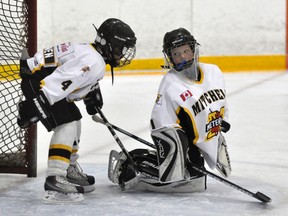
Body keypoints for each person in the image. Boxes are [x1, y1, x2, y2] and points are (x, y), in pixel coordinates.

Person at [17, 18, 137, 202]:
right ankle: (55, 176)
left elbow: (73, 73)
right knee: (67, 124)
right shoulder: (94, 61)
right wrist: (38, 104)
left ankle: (68, 168)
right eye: (122, 48)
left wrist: (91, 93)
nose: (123, 55)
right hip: (40, 83)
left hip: (37, 76)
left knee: (75, 118)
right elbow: (61, 79)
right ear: (109, 44)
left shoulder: (90, 51)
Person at [108, 27, 231, 193]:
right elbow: (161, 124)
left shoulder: (213, 71)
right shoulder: (170, 83)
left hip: (207, 134)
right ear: (170, 57)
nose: (182, 57)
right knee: (190, 176)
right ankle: (132, 166)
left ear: (193, 50)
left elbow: (220, 102)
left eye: (186, 51)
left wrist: (223, 122)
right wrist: (178, 154)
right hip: (187, 143)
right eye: (176, 54)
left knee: (196, 178)